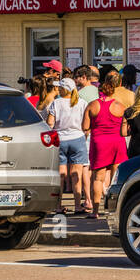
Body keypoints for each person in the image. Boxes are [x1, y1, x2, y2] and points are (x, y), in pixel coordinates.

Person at [81, 71, 128, 219]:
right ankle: (118, 211)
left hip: (100, 142)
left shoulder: (92, 105)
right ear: (113, 90)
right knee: (117, 179)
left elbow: (85, 127)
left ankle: (95, 211)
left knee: (98, 178)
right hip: (117, 142)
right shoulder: (120, 106)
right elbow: (124, 129)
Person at [46, 79, 89, 212]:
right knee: (77, 174)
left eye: (60, 88)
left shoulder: (56, 103)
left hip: (60, 139)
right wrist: (85, 136)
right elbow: (87, 125)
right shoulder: (82, 103)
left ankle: (58, 205)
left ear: (64, 89)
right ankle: (77, 205)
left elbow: (50, 123)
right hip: (78, 138)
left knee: (61, 175)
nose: (58, 89)